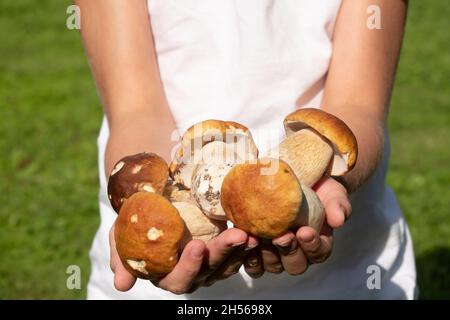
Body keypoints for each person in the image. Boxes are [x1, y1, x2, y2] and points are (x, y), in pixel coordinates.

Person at [77, 0, 417, 299]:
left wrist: (331, 181)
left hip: (348, 272)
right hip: (155, 279)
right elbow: (135, 110)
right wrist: (151, 208)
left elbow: (358, 105)